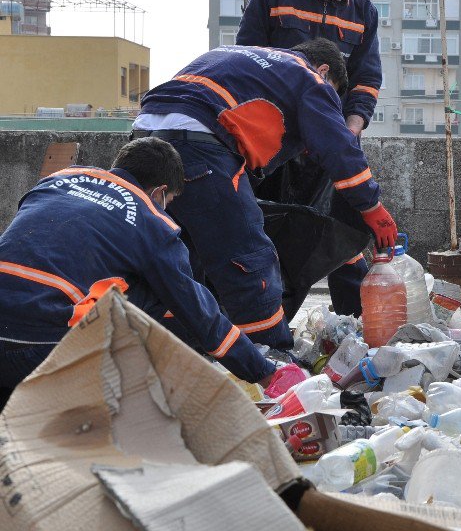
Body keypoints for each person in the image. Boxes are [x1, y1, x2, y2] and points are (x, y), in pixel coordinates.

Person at [132, 38, 397, 351]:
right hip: (199, 144)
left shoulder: (231, 54)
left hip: (143, 138)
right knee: (249, 260)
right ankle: (270, 363)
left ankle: (164, 351)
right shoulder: (309, 77)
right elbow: (338, 147)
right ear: (324, 70)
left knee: (174, 256)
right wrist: (371, 207)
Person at [0, 138, 275, 400]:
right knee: (164, 297)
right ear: (158, 192)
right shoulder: (150, 219)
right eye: (169, 202)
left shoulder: (57, 181)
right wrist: (264, 373)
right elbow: (202, 316)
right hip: (43, 352)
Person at [236, 0, 382, 316]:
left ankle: (353, 322)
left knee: (342, 233)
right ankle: (266, 318)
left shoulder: (363, 11)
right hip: (274, 140)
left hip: (331, 137)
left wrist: (350, 130)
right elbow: (247, 60)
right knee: (269, 228)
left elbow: (367, 78)